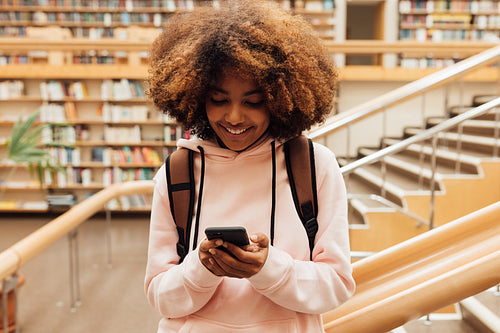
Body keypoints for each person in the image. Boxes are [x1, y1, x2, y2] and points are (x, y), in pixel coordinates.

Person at [144, 1, 355, 332]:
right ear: (198, 97)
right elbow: (160, 297)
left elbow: (337, 285)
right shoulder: (177, 174)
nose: (234, 117)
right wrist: (202, 268)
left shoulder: (315, 167)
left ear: (280, 99)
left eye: (253, 102)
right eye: (219, 99)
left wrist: (268, 268)